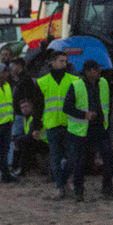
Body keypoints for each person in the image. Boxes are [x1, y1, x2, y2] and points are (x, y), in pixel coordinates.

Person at [63, 59, 113, 202]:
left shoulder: (104, 83)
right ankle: (78, 192)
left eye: (98, 69)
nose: (98, 72)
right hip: (81, 130)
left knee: (109, 157)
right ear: (87, 72)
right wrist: (85, 115)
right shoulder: (76, 86)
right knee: (79, 162)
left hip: (100, 127)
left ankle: (107, 186)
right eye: (95, 70)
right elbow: (66, 108)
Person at [36, 50, 77, 199]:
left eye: (66, 61)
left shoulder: (73, 80)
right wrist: (37, 126)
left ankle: (65, 181)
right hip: (51, 125)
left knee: (72, 157)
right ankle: (60, 187)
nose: (64, 64)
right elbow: (38, 105)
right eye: (61, 61)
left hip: (69, 125)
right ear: (53, 62)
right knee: (55, 157)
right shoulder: (43, 82)